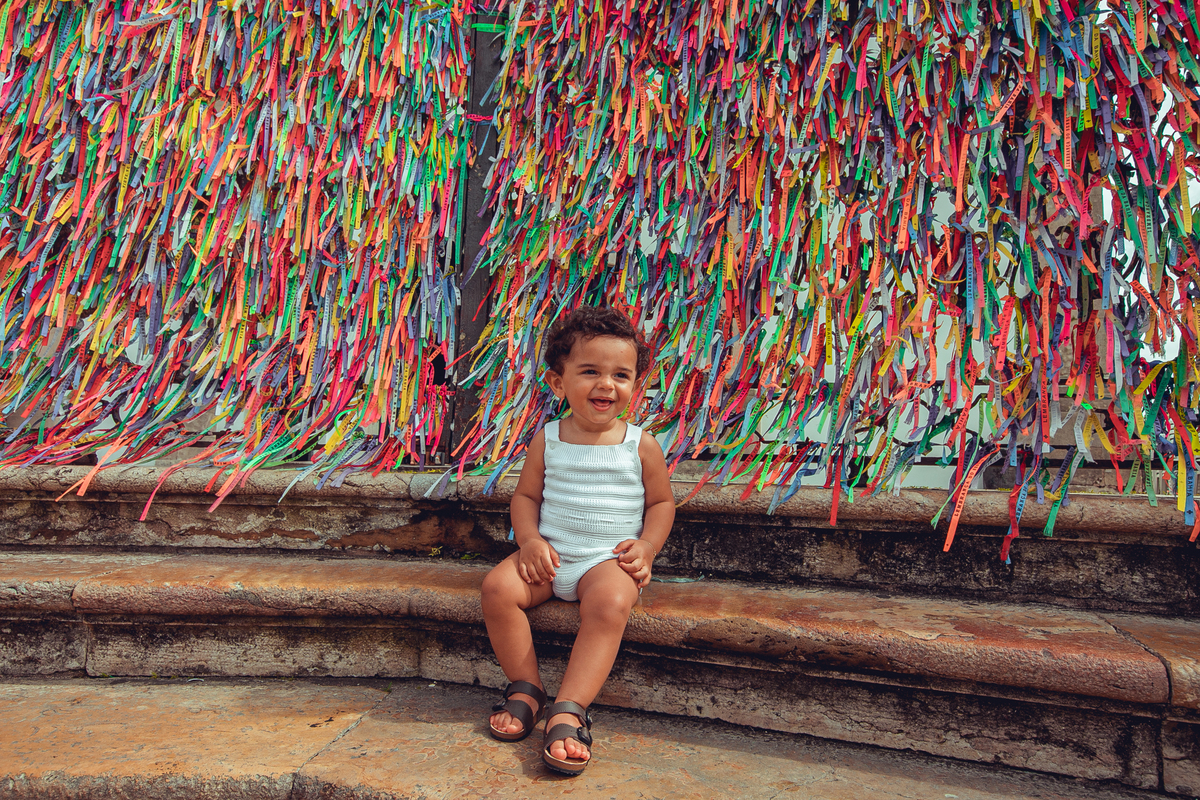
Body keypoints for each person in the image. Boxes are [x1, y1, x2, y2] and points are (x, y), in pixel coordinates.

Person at [480, 305, 675, 776]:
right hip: (550, 556)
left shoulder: (639, 445)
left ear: (634, 385)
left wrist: (646, 547)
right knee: (496, 590)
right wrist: (527, 541)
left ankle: (570, 708)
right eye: (590, 371)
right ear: (557, 382)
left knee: (610, 602)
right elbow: (526, 496)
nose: (606, 384)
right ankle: (526, 685)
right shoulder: (547, 439)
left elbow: (662, 504)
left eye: (621, 375)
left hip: (606, 561)